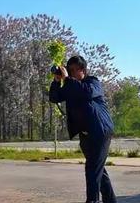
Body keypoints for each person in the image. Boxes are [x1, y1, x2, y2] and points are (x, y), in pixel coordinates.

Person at [49, 55, 117, 203]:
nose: (72, 73)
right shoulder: (70, 86)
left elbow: (86, 93)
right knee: (99, 171)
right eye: (70, 70)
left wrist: (67, 80)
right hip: (86, 135)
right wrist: (56, 80)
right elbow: (54, 97)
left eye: (75, 70)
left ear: (83, 70)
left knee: (92, 170)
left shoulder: (93, 82)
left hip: (100, 131)